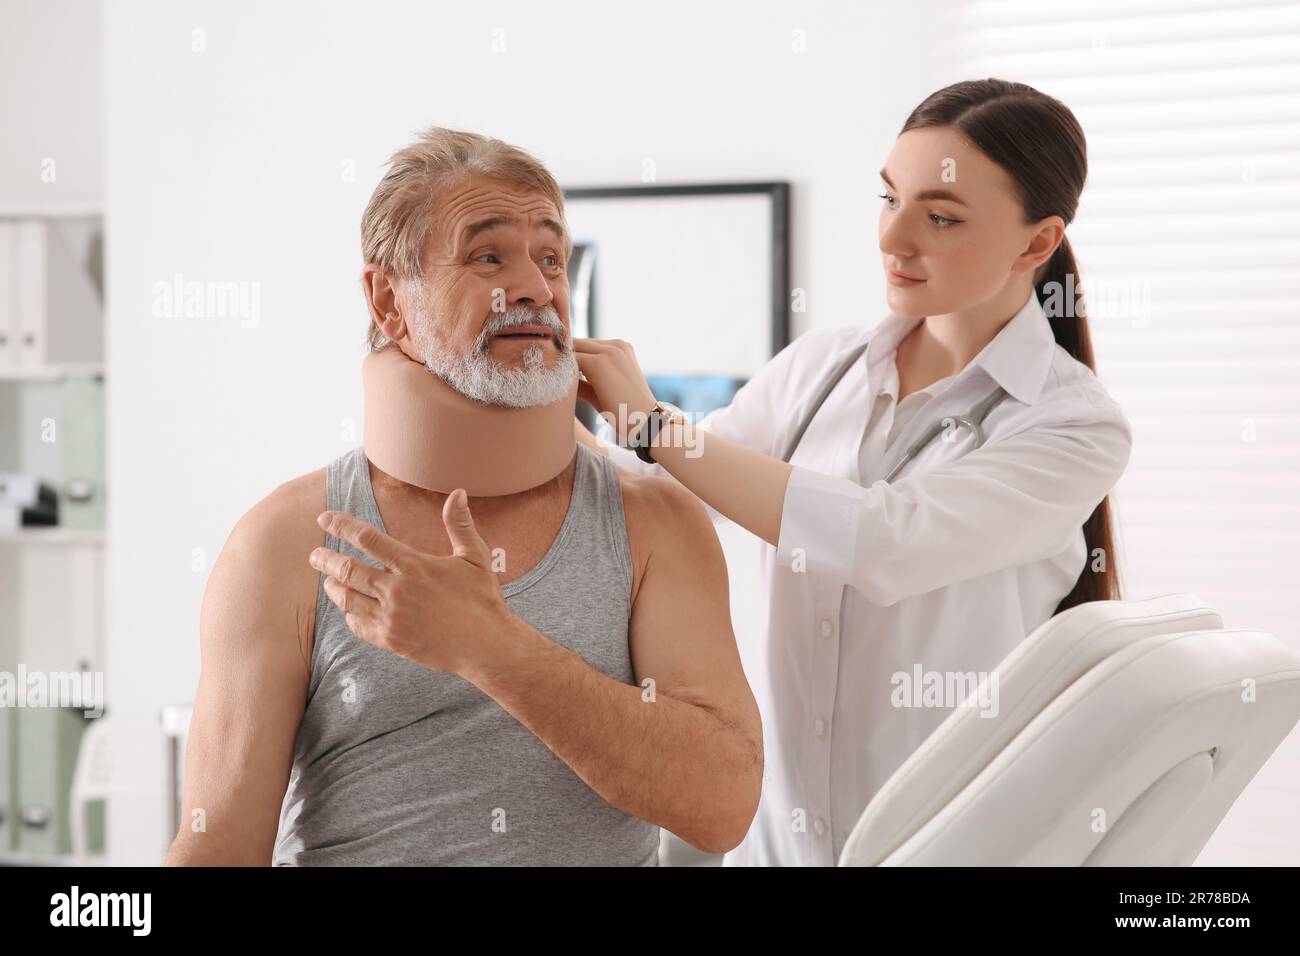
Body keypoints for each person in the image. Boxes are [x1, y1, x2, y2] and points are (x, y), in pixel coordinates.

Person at [165, 128, 762, 866]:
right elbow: (216, 845)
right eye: (489, 257)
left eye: (551, 258)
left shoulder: (653, 524)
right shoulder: (288, 542)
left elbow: (724, 806)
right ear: (389, 302)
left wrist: (490, 646)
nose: (538, 289)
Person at [574, 79, 1134, 866]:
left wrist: (653, 425)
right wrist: (550, 413)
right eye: (889, 198)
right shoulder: (820, 367)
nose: (894, 239)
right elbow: (670, 497)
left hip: (947, 846)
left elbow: (885, 542)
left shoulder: (1072, 424)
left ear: (1037, 244)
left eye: (940, 216)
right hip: (777, 844)